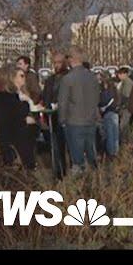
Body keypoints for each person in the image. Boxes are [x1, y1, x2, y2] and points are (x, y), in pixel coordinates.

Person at [57, 46, 100, 174]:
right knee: (91, 156)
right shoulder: (92, 77)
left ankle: (78, 187)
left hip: (74, 121)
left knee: (77, 159)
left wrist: (62, 120)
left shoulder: (67, 79)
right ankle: (95, 182)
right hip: (91, 121)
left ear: (71, 59)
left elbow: (62, 102)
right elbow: (97, 98)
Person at [0, 65, 36, 169]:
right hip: (13, 139)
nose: (24, 78)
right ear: (12, 78)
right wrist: (25, 106)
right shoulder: (5, 96)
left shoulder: (9, 95)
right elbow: (12, 117)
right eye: (21, 76)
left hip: (16, 137)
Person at [42, 52, 69, 178]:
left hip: (67, 117)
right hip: (52, 117)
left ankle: (69, 172)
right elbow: (45, 96)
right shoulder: (50, 80)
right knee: (56, 146)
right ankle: (59, 171)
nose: (56, 65)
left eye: (59, 62)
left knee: (68, 146)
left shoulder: (69, 77)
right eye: (55, 63)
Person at [98, 71, 120, 160]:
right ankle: (115, 153)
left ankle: (111, 154)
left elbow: (103, 101)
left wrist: (101, 107)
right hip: (114, 113)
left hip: (108, 113)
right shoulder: (114, 88)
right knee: (115, 135)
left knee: (110, 134)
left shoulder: (106, 90)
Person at [116, 67, 133, 142]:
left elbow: (126, 96)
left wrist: (120, 105)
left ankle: (125, 142)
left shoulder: (127, 83)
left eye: (120, 74)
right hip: (125, 107)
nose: (119, 76)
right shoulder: (124, 82)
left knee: (124, 126)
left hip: (127, 108)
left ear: (125, 74)